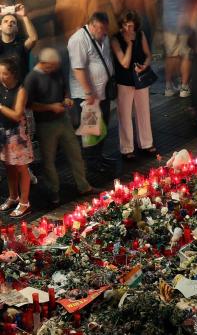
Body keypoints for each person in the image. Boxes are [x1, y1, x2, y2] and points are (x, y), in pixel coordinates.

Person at [25, 48, 94, 206]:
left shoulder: (56, 71)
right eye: (52, 66)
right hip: (45, 124)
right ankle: (54, 191)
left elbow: (64, 89)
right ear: (43, 64)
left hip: (63, 119)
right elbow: (29, 105)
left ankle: (83, 185)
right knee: (49, 160)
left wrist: (66, 98)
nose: (55, 69)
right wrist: (50, 107)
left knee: (75, 152)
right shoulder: (32, 79)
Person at [67, 12, 114, 173]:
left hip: (102, 93)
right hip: (86, 96)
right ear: (92, 25)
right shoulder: (79, 40)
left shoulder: (103, 36)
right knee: (90, 130)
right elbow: (78, 68)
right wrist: (88, 92)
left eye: (106, 29)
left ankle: (99, 157)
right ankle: (91, 163)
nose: (104, 32)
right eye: (101, 29)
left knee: (103, 127)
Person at [110, 10, 156, 162]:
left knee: (144, 111)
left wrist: (145, 65)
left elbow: (148, 55)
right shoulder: (116, 39)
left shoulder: (140, 34)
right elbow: (124, 62)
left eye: (131, 26)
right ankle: (127, 148)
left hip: (140, 79)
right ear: (121, 25)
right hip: (124, 81)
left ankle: (146, 143)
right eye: (125, 25)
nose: (129, 29)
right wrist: (129, 44)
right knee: (124, 115)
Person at [159, 0, 196, 97]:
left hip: (168, 22)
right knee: (186, 55)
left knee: (171, 55)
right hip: (185, 23)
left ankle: (168, 86)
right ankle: (184, 87)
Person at [0, 57, 32, 219]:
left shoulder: (21, 90)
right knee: (9, 166)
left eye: (4, 73)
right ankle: (13, 197)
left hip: (17, 134)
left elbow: (17, 114)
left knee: (21, 167)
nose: (1, 76)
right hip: (3, 132)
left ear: (13, 74)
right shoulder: (1, 86)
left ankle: (25, 202)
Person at [0, 5, 37, 79]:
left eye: (13, 22)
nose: (9, 24)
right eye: (5, 21)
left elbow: (33, 39)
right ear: (0, 27)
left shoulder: (21, 44)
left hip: (21, 88)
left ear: (16, 29)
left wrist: (24, 16)